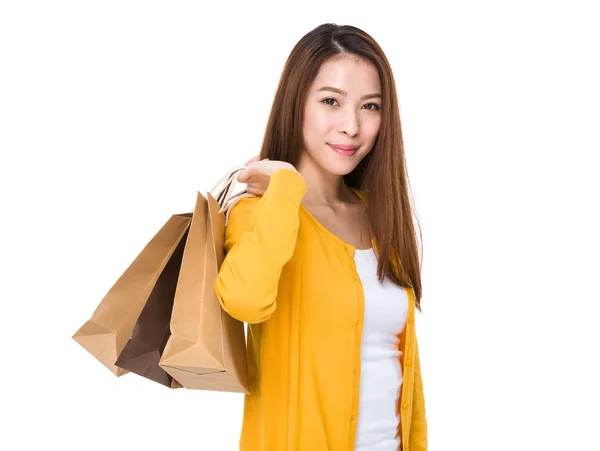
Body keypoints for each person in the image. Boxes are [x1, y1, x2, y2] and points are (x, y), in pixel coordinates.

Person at [214, 23, 427, 451]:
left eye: (370, 106)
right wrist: (287, 187)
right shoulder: (260, 213)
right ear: (297, 104)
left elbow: (403, 375)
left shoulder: (382, 218)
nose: (351, 126)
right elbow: (244, 302)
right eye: (331, 101)